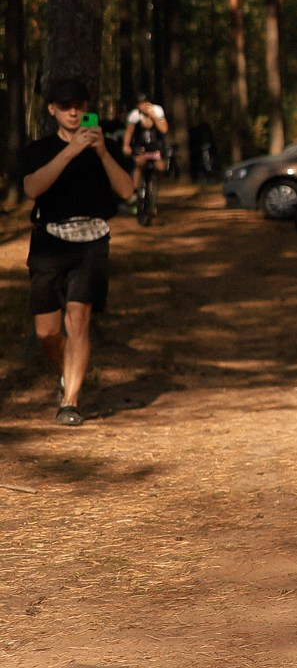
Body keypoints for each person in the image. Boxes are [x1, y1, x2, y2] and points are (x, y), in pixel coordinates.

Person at [23, 80, 136, 425]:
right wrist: (70, 151)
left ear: (86, 108)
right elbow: (32, 188)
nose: (73, 111)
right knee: (47, 332)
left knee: (79, 320)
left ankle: (70, 403)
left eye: (79, 105)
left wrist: (101, 152)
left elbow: (127, 191)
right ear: (52, 110)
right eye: (65, 105)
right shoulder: (40, 149)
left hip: (92, 243)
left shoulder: (106, 148)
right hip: (49, 243)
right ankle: (66, 371)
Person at [121, 93, 171, 190]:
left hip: (156, 145)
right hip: (141, 145)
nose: (142, 107)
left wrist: (154, 117)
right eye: (140, 104)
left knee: (160, 167)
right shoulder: (134, 115)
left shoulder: (157, 110)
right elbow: (129, 132)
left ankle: (159, 190)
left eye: (144, 103)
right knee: (139, 164)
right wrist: (126, 145)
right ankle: (135, 191)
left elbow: (164, 129)